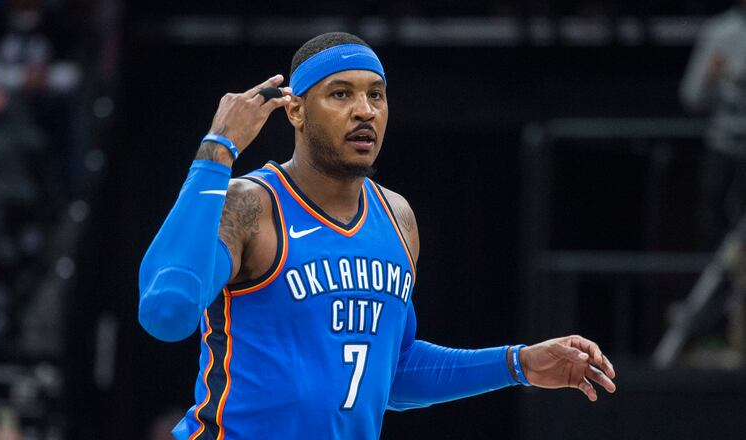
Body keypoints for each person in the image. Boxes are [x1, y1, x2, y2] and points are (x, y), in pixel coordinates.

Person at [139, 32, 616, 440]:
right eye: (341, 94)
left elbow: (393, 371)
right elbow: (167, 312)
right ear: (297, 112)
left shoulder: (397, 217)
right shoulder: (250, 204)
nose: (364, 111)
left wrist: (518, 364)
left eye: (376, 94)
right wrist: (217, 151)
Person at [680, 0, 746, 249]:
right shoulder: (718, 31)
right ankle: (721, 277)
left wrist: (733, 72)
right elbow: (691, 97)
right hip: (722, 144)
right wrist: (710, 76)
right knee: (711, 218)